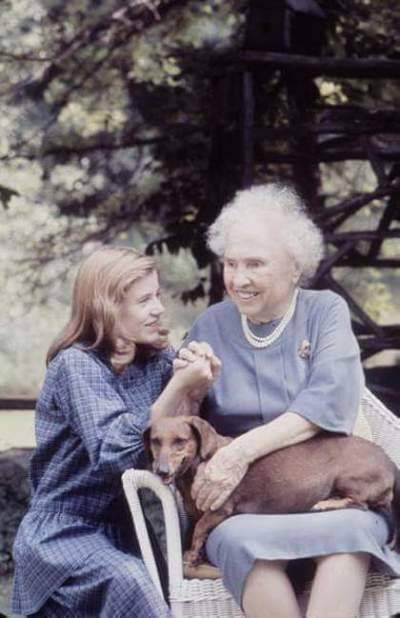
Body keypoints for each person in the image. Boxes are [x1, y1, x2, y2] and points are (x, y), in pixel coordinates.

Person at [169, 184, 400, 618]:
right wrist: (189, 390)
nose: (237, 279)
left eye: (254, 264)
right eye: (230, 264)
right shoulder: (210, 325)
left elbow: (330, 400)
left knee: (348, 535)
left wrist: (238, 453)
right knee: (240, 543)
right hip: (241, 508)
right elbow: (178, 431)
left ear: (294, 267)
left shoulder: (324, 312)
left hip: (328, 492)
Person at [11, 246, 213, 618]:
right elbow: (113, 452)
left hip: (125, 528)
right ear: (107, 307)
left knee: (171, 593)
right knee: (131, 584)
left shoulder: (155, 358)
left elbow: (180, 437)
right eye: (143, 300)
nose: (158, 308)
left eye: (157, 295)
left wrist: (196, 388)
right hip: (63, 531)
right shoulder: (76, 365)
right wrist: (177, 387)